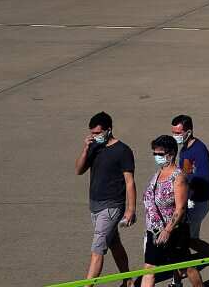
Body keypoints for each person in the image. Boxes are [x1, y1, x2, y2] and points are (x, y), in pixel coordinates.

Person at [75, 112, 135, 286]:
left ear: (108, 130)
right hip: (95, 205)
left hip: (111, 207)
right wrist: (86, 149)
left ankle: (88, 285)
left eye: (97, 133)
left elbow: (129, 182)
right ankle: (128, 280)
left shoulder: (123, 150)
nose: (94, 136)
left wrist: (130, 210)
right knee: (114, 243)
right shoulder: (94, 147)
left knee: (97, 250)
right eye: (92, 133)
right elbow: (79, 170)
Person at [172, 115, 209, 282]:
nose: (176, 135)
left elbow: (202, 178)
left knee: (184, 239)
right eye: (173, 132)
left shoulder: (199, 150)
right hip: (188, 200)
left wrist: (185, 188)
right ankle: (179, 276)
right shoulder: (185, 149)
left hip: (197, 202)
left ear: (189, 131)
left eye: (178, 132)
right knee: (188, 240)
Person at [141, 135, 201, 287]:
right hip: (155, 231)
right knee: (149, 268)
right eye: (154, 153)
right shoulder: (159, 174)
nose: (157, 157)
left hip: (174, 231)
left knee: (186, 268)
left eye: (160, 154)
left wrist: (167, 230)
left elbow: (180, 208)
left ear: (171, 153)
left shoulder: (178, 177)